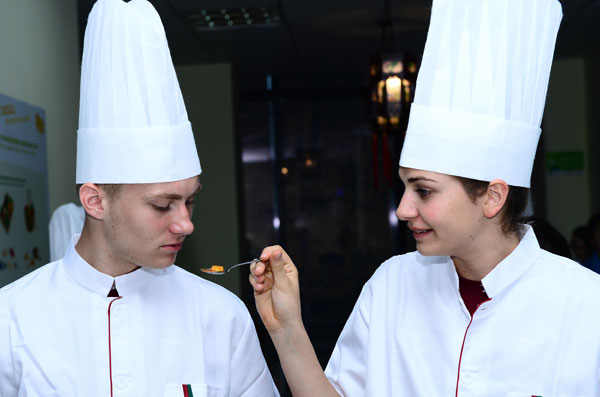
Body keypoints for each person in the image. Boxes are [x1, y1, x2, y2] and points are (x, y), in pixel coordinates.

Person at [250, 0, 600, 395]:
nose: (402, 209)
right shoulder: (390, 286)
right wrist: (287, 329)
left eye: (424, 190)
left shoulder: (586, 306)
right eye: (404, 187)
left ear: (492, 197)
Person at [0, 1, 277, 396]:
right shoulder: (11, 320)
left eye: (190, 200)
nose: (185, 224)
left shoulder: (221, 315)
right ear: (95, 201)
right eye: (162, 205)